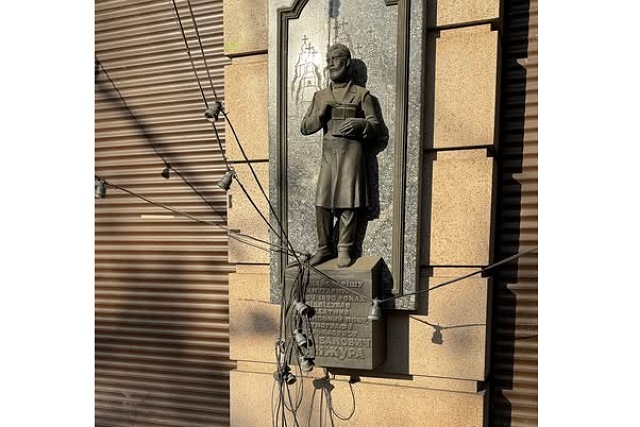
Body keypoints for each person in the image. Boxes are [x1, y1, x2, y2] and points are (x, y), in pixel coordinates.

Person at [300, 43, 380, 268]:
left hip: (352, 156)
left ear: (347, 62)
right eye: (328, 59)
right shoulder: (320, 96)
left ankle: (345, 248)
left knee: (348, 203)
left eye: (335, 59)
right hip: (329, 157)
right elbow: (305, 127)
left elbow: (376, 126)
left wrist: (360, 124)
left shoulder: (362, 94)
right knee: (322, 203)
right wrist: (321, 114)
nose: (331, 64)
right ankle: (324, 248)